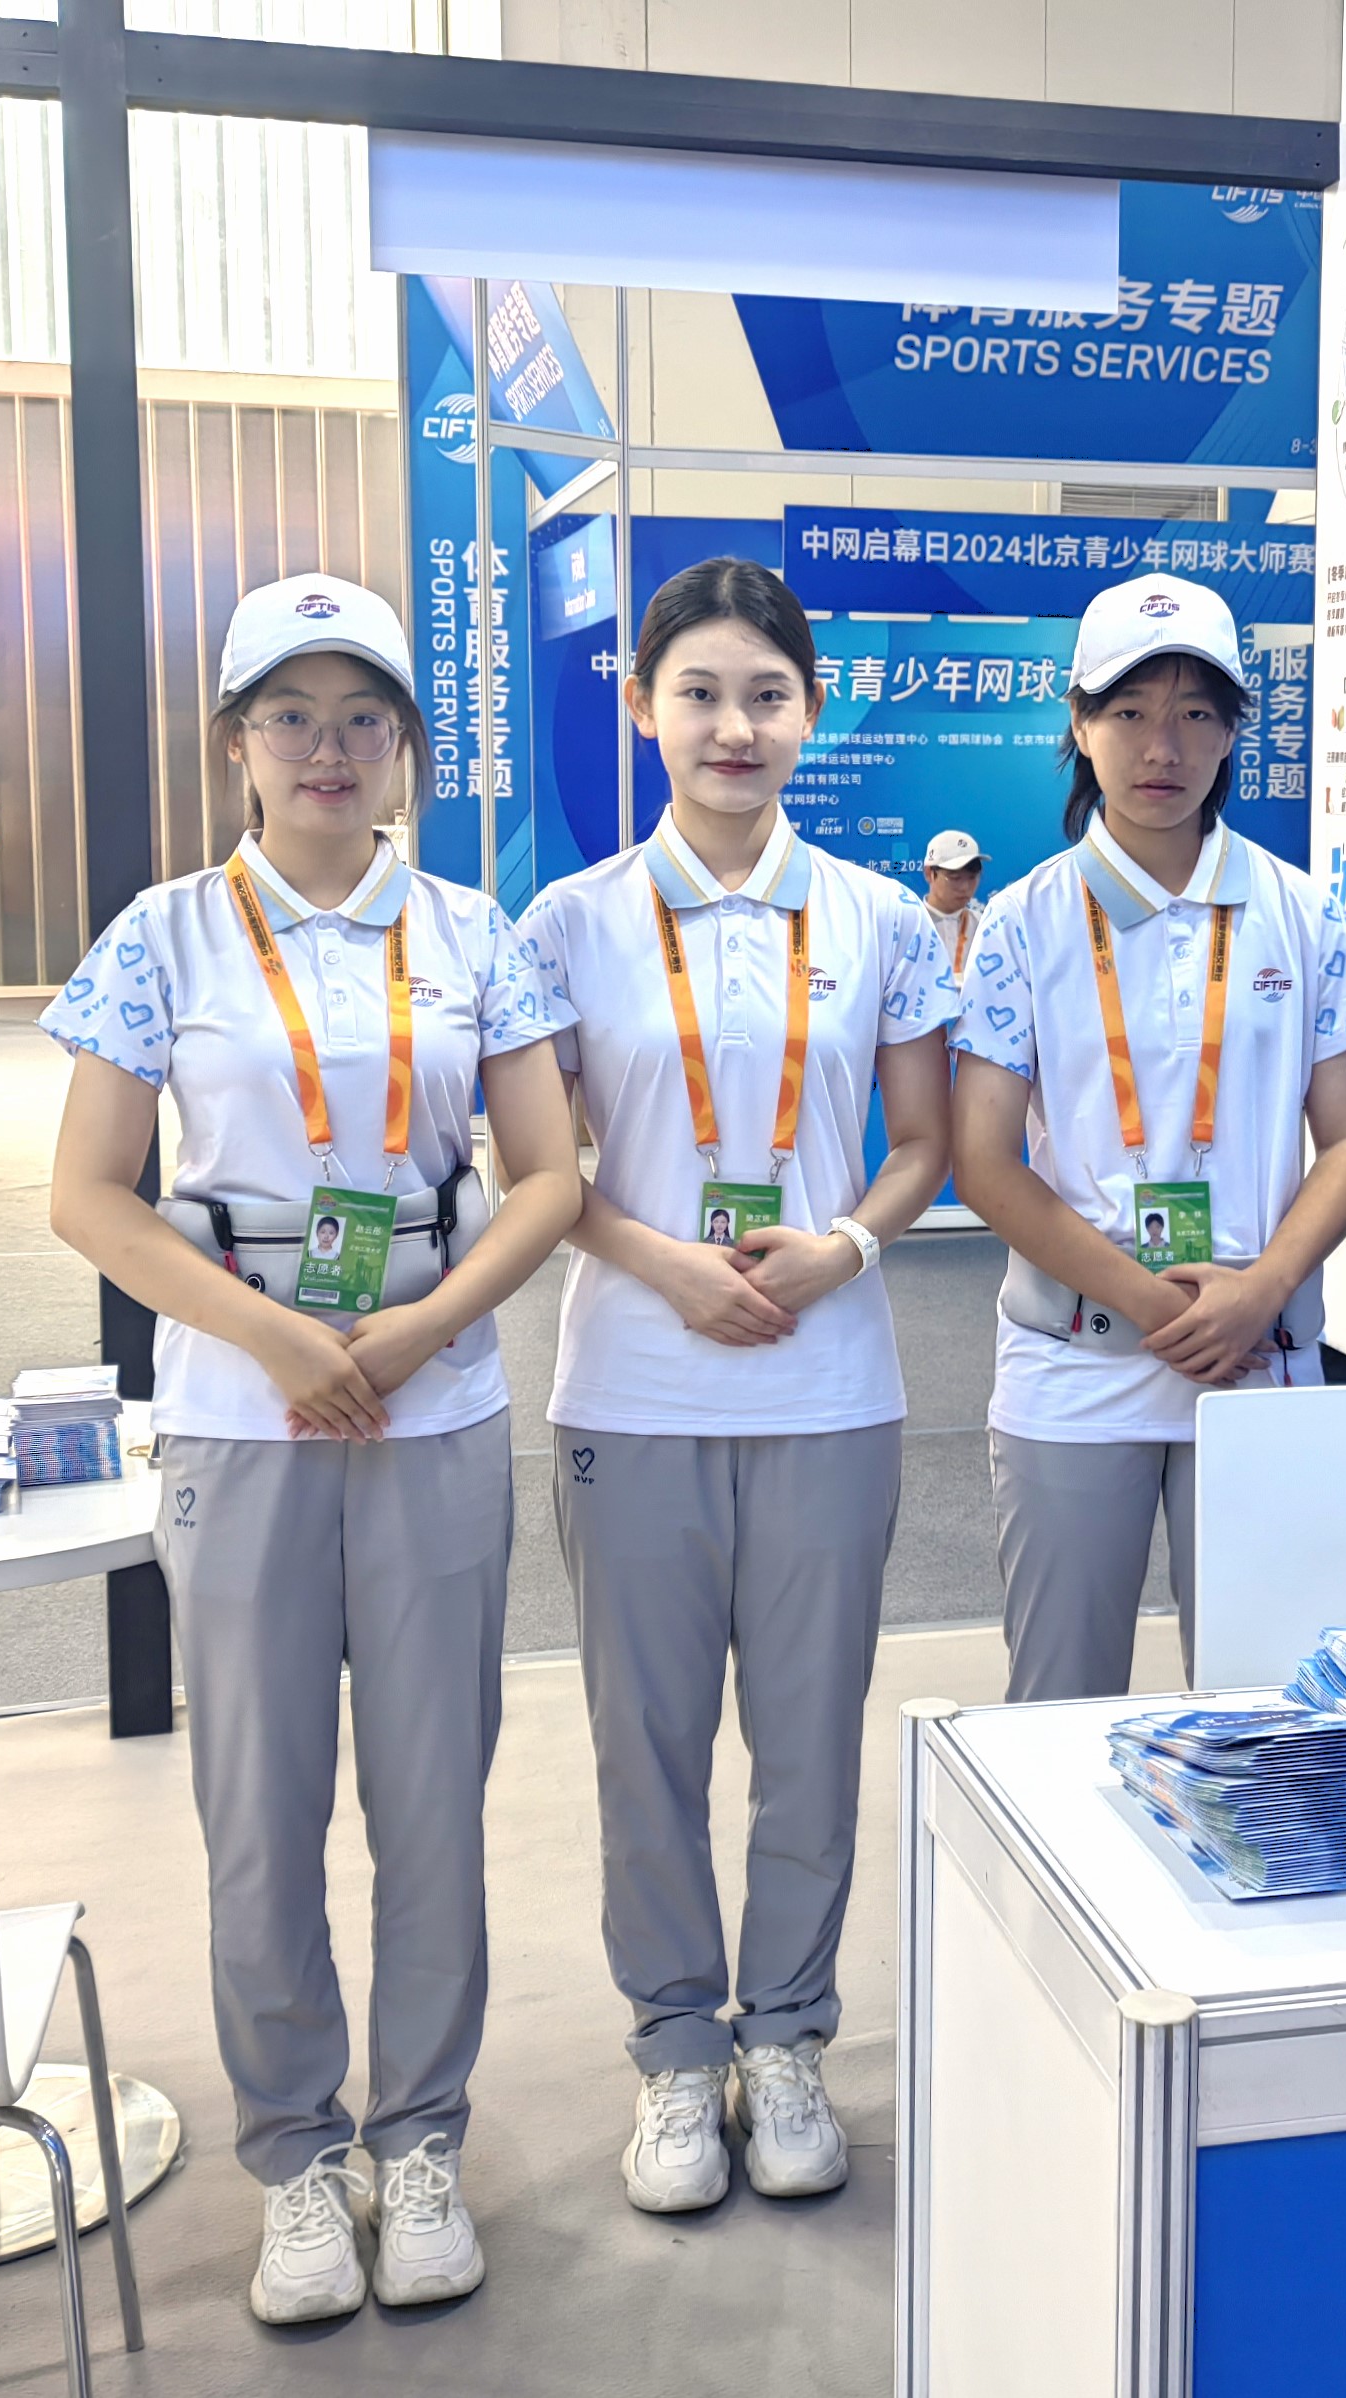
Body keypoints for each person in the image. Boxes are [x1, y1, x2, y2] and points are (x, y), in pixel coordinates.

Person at [43, 571, 584, 2324]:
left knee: (432, 1800)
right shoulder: (162, 937)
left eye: (362, 717)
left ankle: (419, 2143)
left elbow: (547, 1176)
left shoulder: (476, 933)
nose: (327, 748)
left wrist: (421, 1330)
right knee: (260, 1815)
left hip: (436, 1406)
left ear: (406, 743)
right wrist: (275, 1335)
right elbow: (89, 1194)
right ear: (236, 742)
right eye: (290, 715)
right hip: (239, 1411)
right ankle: (293, 2156)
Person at [520, 557, 956, 2218]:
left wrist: (843, 1245)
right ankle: (673, 2050)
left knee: (806, 1738)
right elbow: (536, 1165)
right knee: (643, 1743)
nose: (733, 726)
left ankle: (786, 2039)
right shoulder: (570, 924)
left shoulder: (877, 918)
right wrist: (666, 1263)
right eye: (698, 692)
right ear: (643, 706)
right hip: (632, 1388)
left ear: (809, 714)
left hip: (827, 1390)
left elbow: (921, 1144)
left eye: (766, 695)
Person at [950, 574, 1346, 1702]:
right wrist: (1153, 1303)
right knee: (1058, 1703)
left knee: (1266, 1706)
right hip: (1073, 1362)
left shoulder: (1301, 912)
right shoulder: (1025, 921)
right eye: (1131, 710)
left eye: (1197, 712)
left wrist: (1263, 1289)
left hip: (1256, 1359)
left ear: (1234, 730)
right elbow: (984, 1162)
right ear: (1079, 724)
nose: (1163, 746)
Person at [919, 826, 986, 978]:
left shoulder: (985, 926)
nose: (965, 887)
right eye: (955, 878)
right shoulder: (909, 924)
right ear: (929, 874)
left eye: (972, 878)